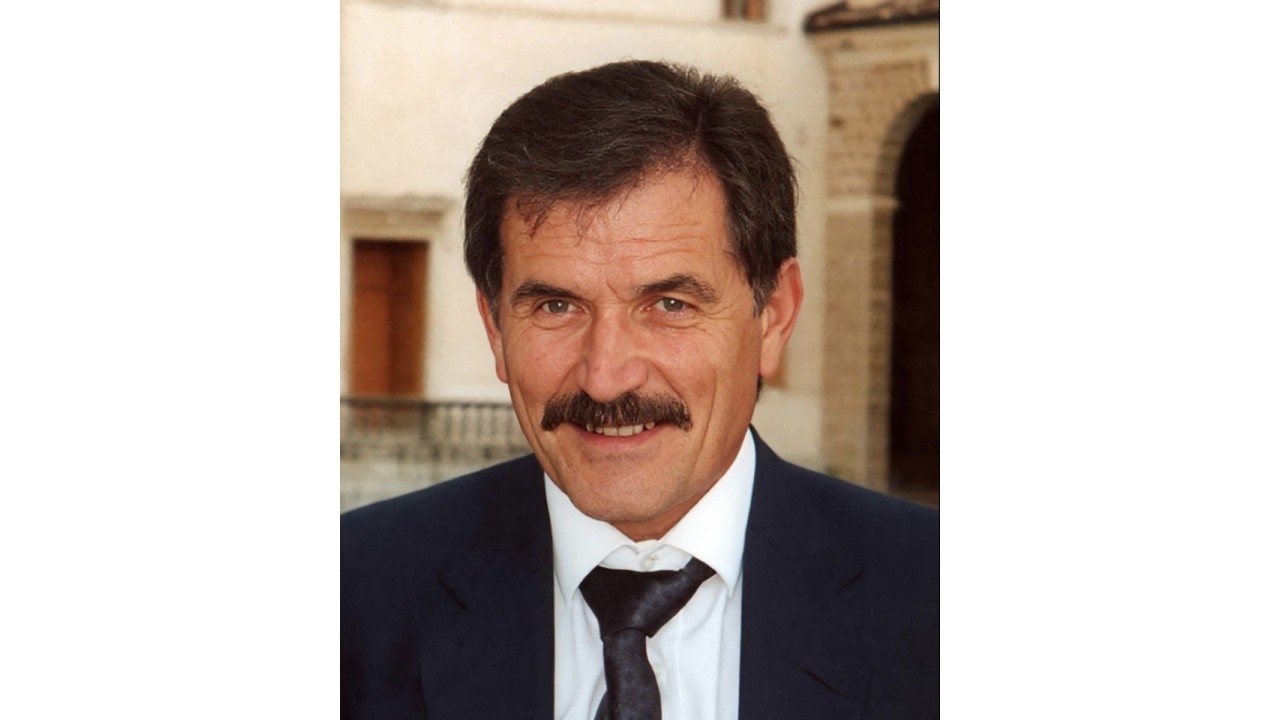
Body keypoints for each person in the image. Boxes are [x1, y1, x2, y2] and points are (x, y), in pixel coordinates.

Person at [341, 60, 939, 720]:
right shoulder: (351, 595)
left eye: (670, 304)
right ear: (495, 328)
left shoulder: (935, 600)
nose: (606, 377)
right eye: (556, 307)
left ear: (773, 317)